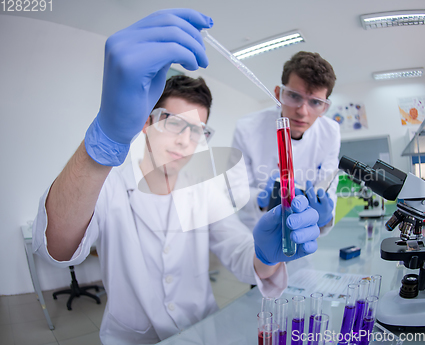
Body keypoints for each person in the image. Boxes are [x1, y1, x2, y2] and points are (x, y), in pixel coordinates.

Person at [31, 9, 320, 345]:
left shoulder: (204, 188)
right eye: (173, 121)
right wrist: (103, 141)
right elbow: (56, 248)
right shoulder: (109, 183)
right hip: (131, 338)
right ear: (146, 121)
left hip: (201, 332)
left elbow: (239, 253)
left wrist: (267, 255)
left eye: (198, 130)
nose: (186, 140)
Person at [231, 51, 341, 232]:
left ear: (325, 106)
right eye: (294, 96)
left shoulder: (330, 132)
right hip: (254, 228)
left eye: (315, 102)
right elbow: (235, 188)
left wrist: (325, 214)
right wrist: (261, 198)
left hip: (303, 229)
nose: (302, 111)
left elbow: (328, 186)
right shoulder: (248, 128)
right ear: (278, 94)